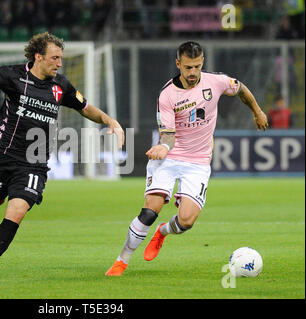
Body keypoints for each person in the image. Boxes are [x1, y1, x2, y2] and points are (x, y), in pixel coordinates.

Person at [0, 32, 124, 279]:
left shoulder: (60, 85)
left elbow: (84, 107)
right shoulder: (13, 76)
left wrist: (108, 119)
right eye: (55, 58)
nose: (60, 63)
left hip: (34, 164)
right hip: (3, 156)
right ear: (38, 56)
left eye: (61, 58)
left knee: (16, 211)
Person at [105, 41, 268, 276]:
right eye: (188, 67)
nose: (193, 73)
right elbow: (168, 135)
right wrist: (163, 147)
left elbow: (241, 89)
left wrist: (258, 112)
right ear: (178, 64)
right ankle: (122, 260)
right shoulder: (167, 95)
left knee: (187, 221)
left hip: (198, 162)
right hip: (169, 158)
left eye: (197, 67)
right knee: (150, 210)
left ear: (202, 63)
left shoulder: (217, 81)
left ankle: (162, 232)